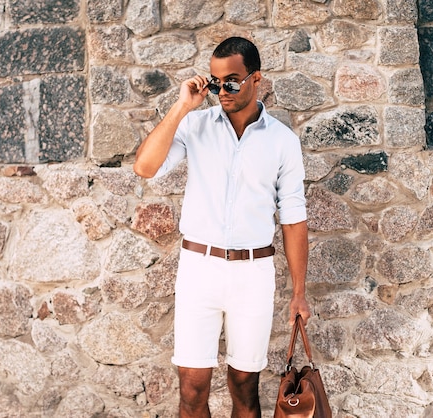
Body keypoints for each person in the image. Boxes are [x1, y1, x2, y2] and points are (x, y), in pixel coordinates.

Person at [133, 36, 311, 418]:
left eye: (231, 81)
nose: (222, 90)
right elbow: (145, 168)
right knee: (192, 388)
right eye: (216, 82)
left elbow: (294, 217)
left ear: (256, 78)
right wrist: (182, 106)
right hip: (200, 270)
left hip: (253, 273)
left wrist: (298, 293)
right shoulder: (195, 125)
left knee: (245, 387)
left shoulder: (283, 141)